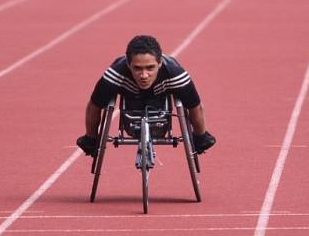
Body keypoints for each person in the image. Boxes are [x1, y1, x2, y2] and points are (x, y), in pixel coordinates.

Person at [76, 35, 216, 157]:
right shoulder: (115, 74)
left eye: (150, 67)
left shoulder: (175, 74)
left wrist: (200, 135)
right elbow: (94, 105)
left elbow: (195, 106)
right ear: (128, 65)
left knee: (198, 127)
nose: (144, 75)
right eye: (137, 68)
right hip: (131, 100)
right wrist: (91, 137)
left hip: (160, 99)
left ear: (160, 63)